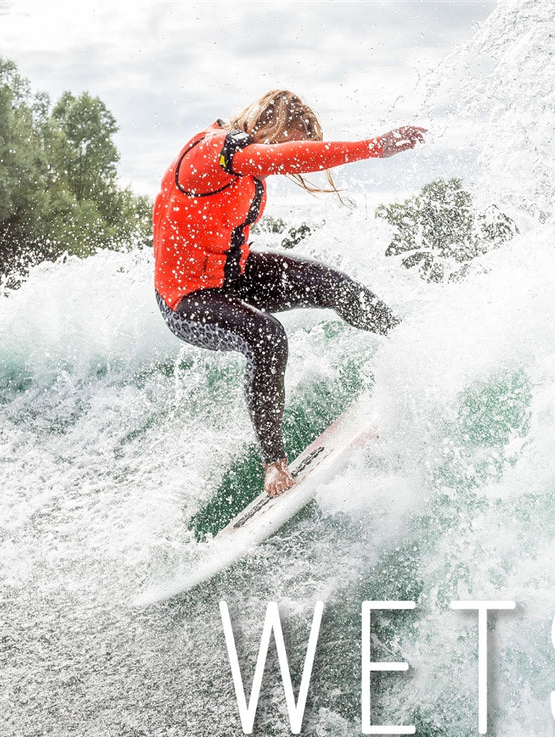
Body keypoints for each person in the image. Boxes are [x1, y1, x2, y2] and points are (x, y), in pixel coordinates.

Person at [152, 89, 426, 498]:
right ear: (269, 125)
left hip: (232, 273)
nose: (287, 152)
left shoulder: (244, 156)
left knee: (332, 284)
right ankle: (274, 464)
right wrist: (373, 148)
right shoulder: (218, 150)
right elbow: (281, 159)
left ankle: (417, 346)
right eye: (287, 140)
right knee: (266, 335)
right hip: (187, 299)